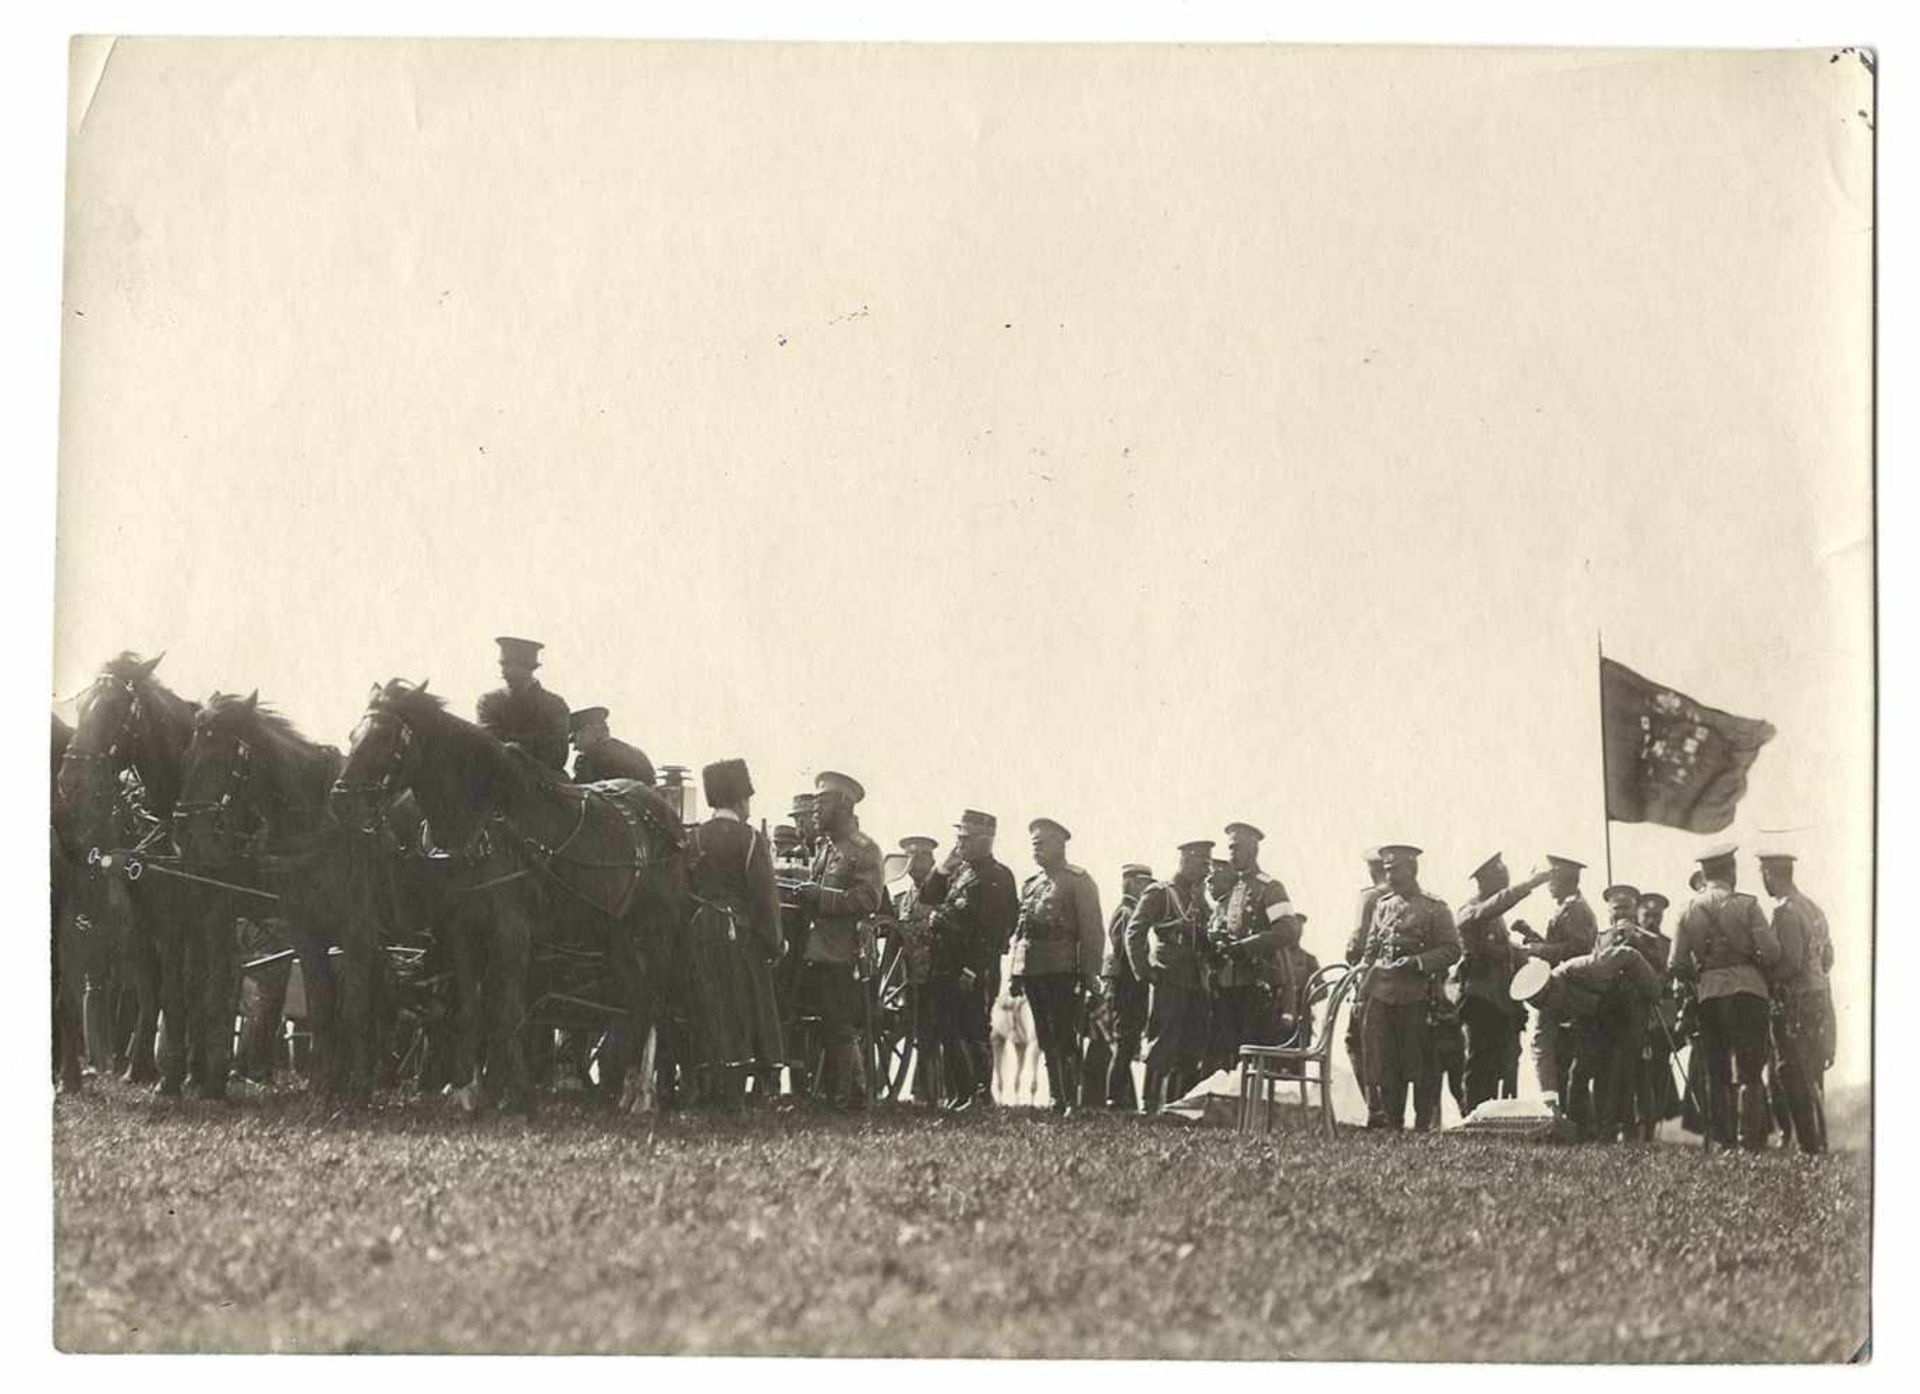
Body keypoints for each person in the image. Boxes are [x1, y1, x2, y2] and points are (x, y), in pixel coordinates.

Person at [682, 759, 784, 1108]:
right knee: (744, 1007)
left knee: (706, 1006)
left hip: (698, 932)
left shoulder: (692, 837)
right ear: (741, 801)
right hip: (738, 934)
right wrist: (774, 941)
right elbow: (764, 896)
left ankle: (705, 1081)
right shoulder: (751, 840)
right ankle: (740, 1090)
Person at [1671, 843, 1781, 1151]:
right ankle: (1751, 1142)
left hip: (1709, 996)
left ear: (1704, 874)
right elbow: (1772, 952)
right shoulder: (1747, 904)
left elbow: (1675, 963)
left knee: (1716, 1071)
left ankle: (1725, 1141)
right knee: (1749, 1070)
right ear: (1731, 870)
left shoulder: (1687, 909)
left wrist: (1702, 972)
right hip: (1749, 992)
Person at [790, 771, 886, 1109]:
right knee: (821, 1021)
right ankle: (834, 1093)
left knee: (838, 1023)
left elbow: (867, 900)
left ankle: (848, 1097)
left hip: (844, 951)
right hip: (816, 948)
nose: (816, 810)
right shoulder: (825, 848)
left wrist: (821, 896)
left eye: (823, 802)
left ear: (844, 806)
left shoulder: (865, 850)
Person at [918, 809, 1020, 1111]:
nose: (960, 844)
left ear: (985, 840)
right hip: (945, 960)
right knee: (947, 1027)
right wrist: (942, 868)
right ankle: (959, 1093)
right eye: (959, 837)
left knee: (972, 1027)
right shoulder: (960, 870)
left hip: (972, 965)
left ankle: (978, 1094)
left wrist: (973, 968)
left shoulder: (998, 876)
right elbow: (927, 896)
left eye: (966, 838)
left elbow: (997, 928)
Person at [1355, 844, 1461, 1131]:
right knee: (1387, 1063)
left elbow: (1452, 950)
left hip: (1418, 996)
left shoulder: (1434, 908)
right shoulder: (1382, 905)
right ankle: (1394, 1124)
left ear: (1412, 869)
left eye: (1395, 869)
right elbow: (1371, 950)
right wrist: (1363, 987)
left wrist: (1416, 962)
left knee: (1422, 1066)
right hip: (1383, 995)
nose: (1389, 874)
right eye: (1386, 869)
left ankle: (1423, 1126)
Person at [1510, 943, 1663, 1140]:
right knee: (1580, 1072)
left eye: (1549, 999)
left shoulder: (1585, 968)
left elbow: (1628, 954)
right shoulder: (1545, 1010)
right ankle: (1580, 1131)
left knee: (1621, 1069)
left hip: (1626, 1007)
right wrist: (1550, 1101)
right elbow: (1542, 1051)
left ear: (1552, 984)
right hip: (1593, 1021)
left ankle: (1623, 1130)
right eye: (1541, 1004)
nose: (1550, 1006)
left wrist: (1653, 990)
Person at [1009, 818, 1105, 1115]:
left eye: (1043, 842)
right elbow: (1021, 931)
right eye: (1033, 843)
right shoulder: (1032, 885)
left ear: (1061, 844)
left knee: (1066, 1035)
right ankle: (1057, 1098)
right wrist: (1016, 971)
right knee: (1045, 1034)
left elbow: (1092, 931)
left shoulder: (1078, 880)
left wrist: (1089, 973)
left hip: (1064, 968)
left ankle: (1071, 1101)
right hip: (1034, 968)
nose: (1036, 848)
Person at [1453, 854, 1550, 1114]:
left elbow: (1507, 952)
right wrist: (1530, 884)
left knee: (1502, 1063)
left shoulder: (1497, 918)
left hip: (1502, 1003)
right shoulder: (1471, 910)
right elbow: (1492, 906)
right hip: (1480, 1001)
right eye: (1499, 874)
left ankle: (1495, 1118)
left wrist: (1532, 947)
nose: (1504, 877)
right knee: (1479, 1063)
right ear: (1484, 880)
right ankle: (1473, 1117)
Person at [1206, 823, 1306, 1067]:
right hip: (1227, 982)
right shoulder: (1229, 892)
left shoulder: (1269, 888)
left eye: (1237, 848)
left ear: (1253, 850)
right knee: (1227, 1054)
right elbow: (1218, 926)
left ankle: (1254, 1105)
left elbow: (1288, 930)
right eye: (1230, 848)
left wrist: (1246, 946)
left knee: (1254, 1054)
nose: (1232, 853)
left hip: (1258, 984)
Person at [1127, 840, 1215, 1112]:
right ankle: (1149, 1104)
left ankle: (1179, 1106)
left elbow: (1206, 934)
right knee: (1162, 1043)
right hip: (1168, 977)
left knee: (1191, 1045)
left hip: (1195, 980)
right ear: (1187, 860)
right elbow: (1135, 932)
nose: (1206, 871)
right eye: (1203, 864)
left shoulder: (1198, 898)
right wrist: (1145, 971)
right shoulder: (1160, 893)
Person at [1760, 851, 1833, 1155]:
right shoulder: (1814, 908)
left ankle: (1808, 1146)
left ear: (1768, 874)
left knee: (1791, 1071)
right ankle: (1819, 1142)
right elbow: (1829, 958)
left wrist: (1764, 974)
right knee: (1813, 1072)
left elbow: (1788, 963)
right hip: (1820, 996)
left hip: (1795, 1002)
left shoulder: (1785, 912)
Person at [1517, 854, 1598, 1103]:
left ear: (1566, 880)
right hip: (1564, 985)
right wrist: (1531, 935)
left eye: (1553, 878)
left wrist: (1535, 950)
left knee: (1544, 1045)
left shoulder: (1574, 908)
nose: (1549, 884)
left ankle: (1554, 1107)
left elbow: (1576, 949)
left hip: (1567, 988)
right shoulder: (1569, 907)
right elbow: (1561, 946)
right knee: (1558, 1051)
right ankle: (1560, 1110)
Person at [1088, 862, 1153, 1111]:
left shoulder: (1128, 910)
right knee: (1124, 1044)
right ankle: (1114, 1099)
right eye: (1145, 884)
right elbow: (1127, 952)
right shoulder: (1128, 912)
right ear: (1133, 883)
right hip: (1127, 987)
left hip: (1126, 986)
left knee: (1126, 1044)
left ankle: (1120, 1099)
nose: (1147, 890)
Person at [891, 835, 942, 1104]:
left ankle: (929, 1093)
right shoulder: (901, 900)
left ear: (932, 861)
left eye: (921, 857)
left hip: (935, 974)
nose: (914, 864)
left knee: (930, 1035)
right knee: (914, 1031)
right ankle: (916, 1090)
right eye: (910, 858)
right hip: (907, 978)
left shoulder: (943, 894)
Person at [475, 636, 571, 772]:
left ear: (529, 668)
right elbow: (487, 744)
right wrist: (537, 742)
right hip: (497, 776)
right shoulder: (489, 702)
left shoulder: (555, 705)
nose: (504, 671)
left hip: (544, 778)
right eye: (503, 665)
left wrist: (509, 742)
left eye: (511, 665)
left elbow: (558, 754)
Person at [1633, 890, 1682, 1138]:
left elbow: (1672, 977)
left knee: (1657, 1070)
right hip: (1632, 1013)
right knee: (1633, 1071)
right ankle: (1631, 1127)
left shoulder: (1668, 945)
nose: (1652, 920)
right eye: (1647, 914)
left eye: (1657, 915)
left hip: (1660, 1017)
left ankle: (1650, 1129)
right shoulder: (1630, 941)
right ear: (1637, 914)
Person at [1343, 849, 1389, 1113]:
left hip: (1369, 980)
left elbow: (1357, 942)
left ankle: (1374, 1107)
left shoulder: (1370, 896)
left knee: (1358, 1041)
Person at [567, 707, 657, 786]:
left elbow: (578, 795)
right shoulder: (637, 754)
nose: (575, 747)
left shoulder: (591, 758)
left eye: (575, 738)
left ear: (589, 731)